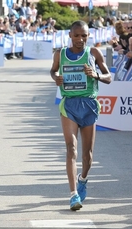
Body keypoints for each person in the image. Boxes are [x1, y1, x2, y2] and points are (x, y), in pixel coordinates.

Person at [50, 20, 111, 211]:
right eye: (76, 35)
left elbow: (108, 77)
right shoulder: (60, 54)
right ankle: (73, 194)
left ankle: (83, 178)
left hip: (89, 104)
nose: (80, 39)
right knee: (71, 149)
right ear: (70, 35)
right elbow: (53, 70)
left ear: (88, 36)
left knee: (87, 156)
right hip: (69, 105)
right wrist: (56, 78)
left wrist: (96, 75)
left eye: (84, 35)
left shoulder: (93, 53)